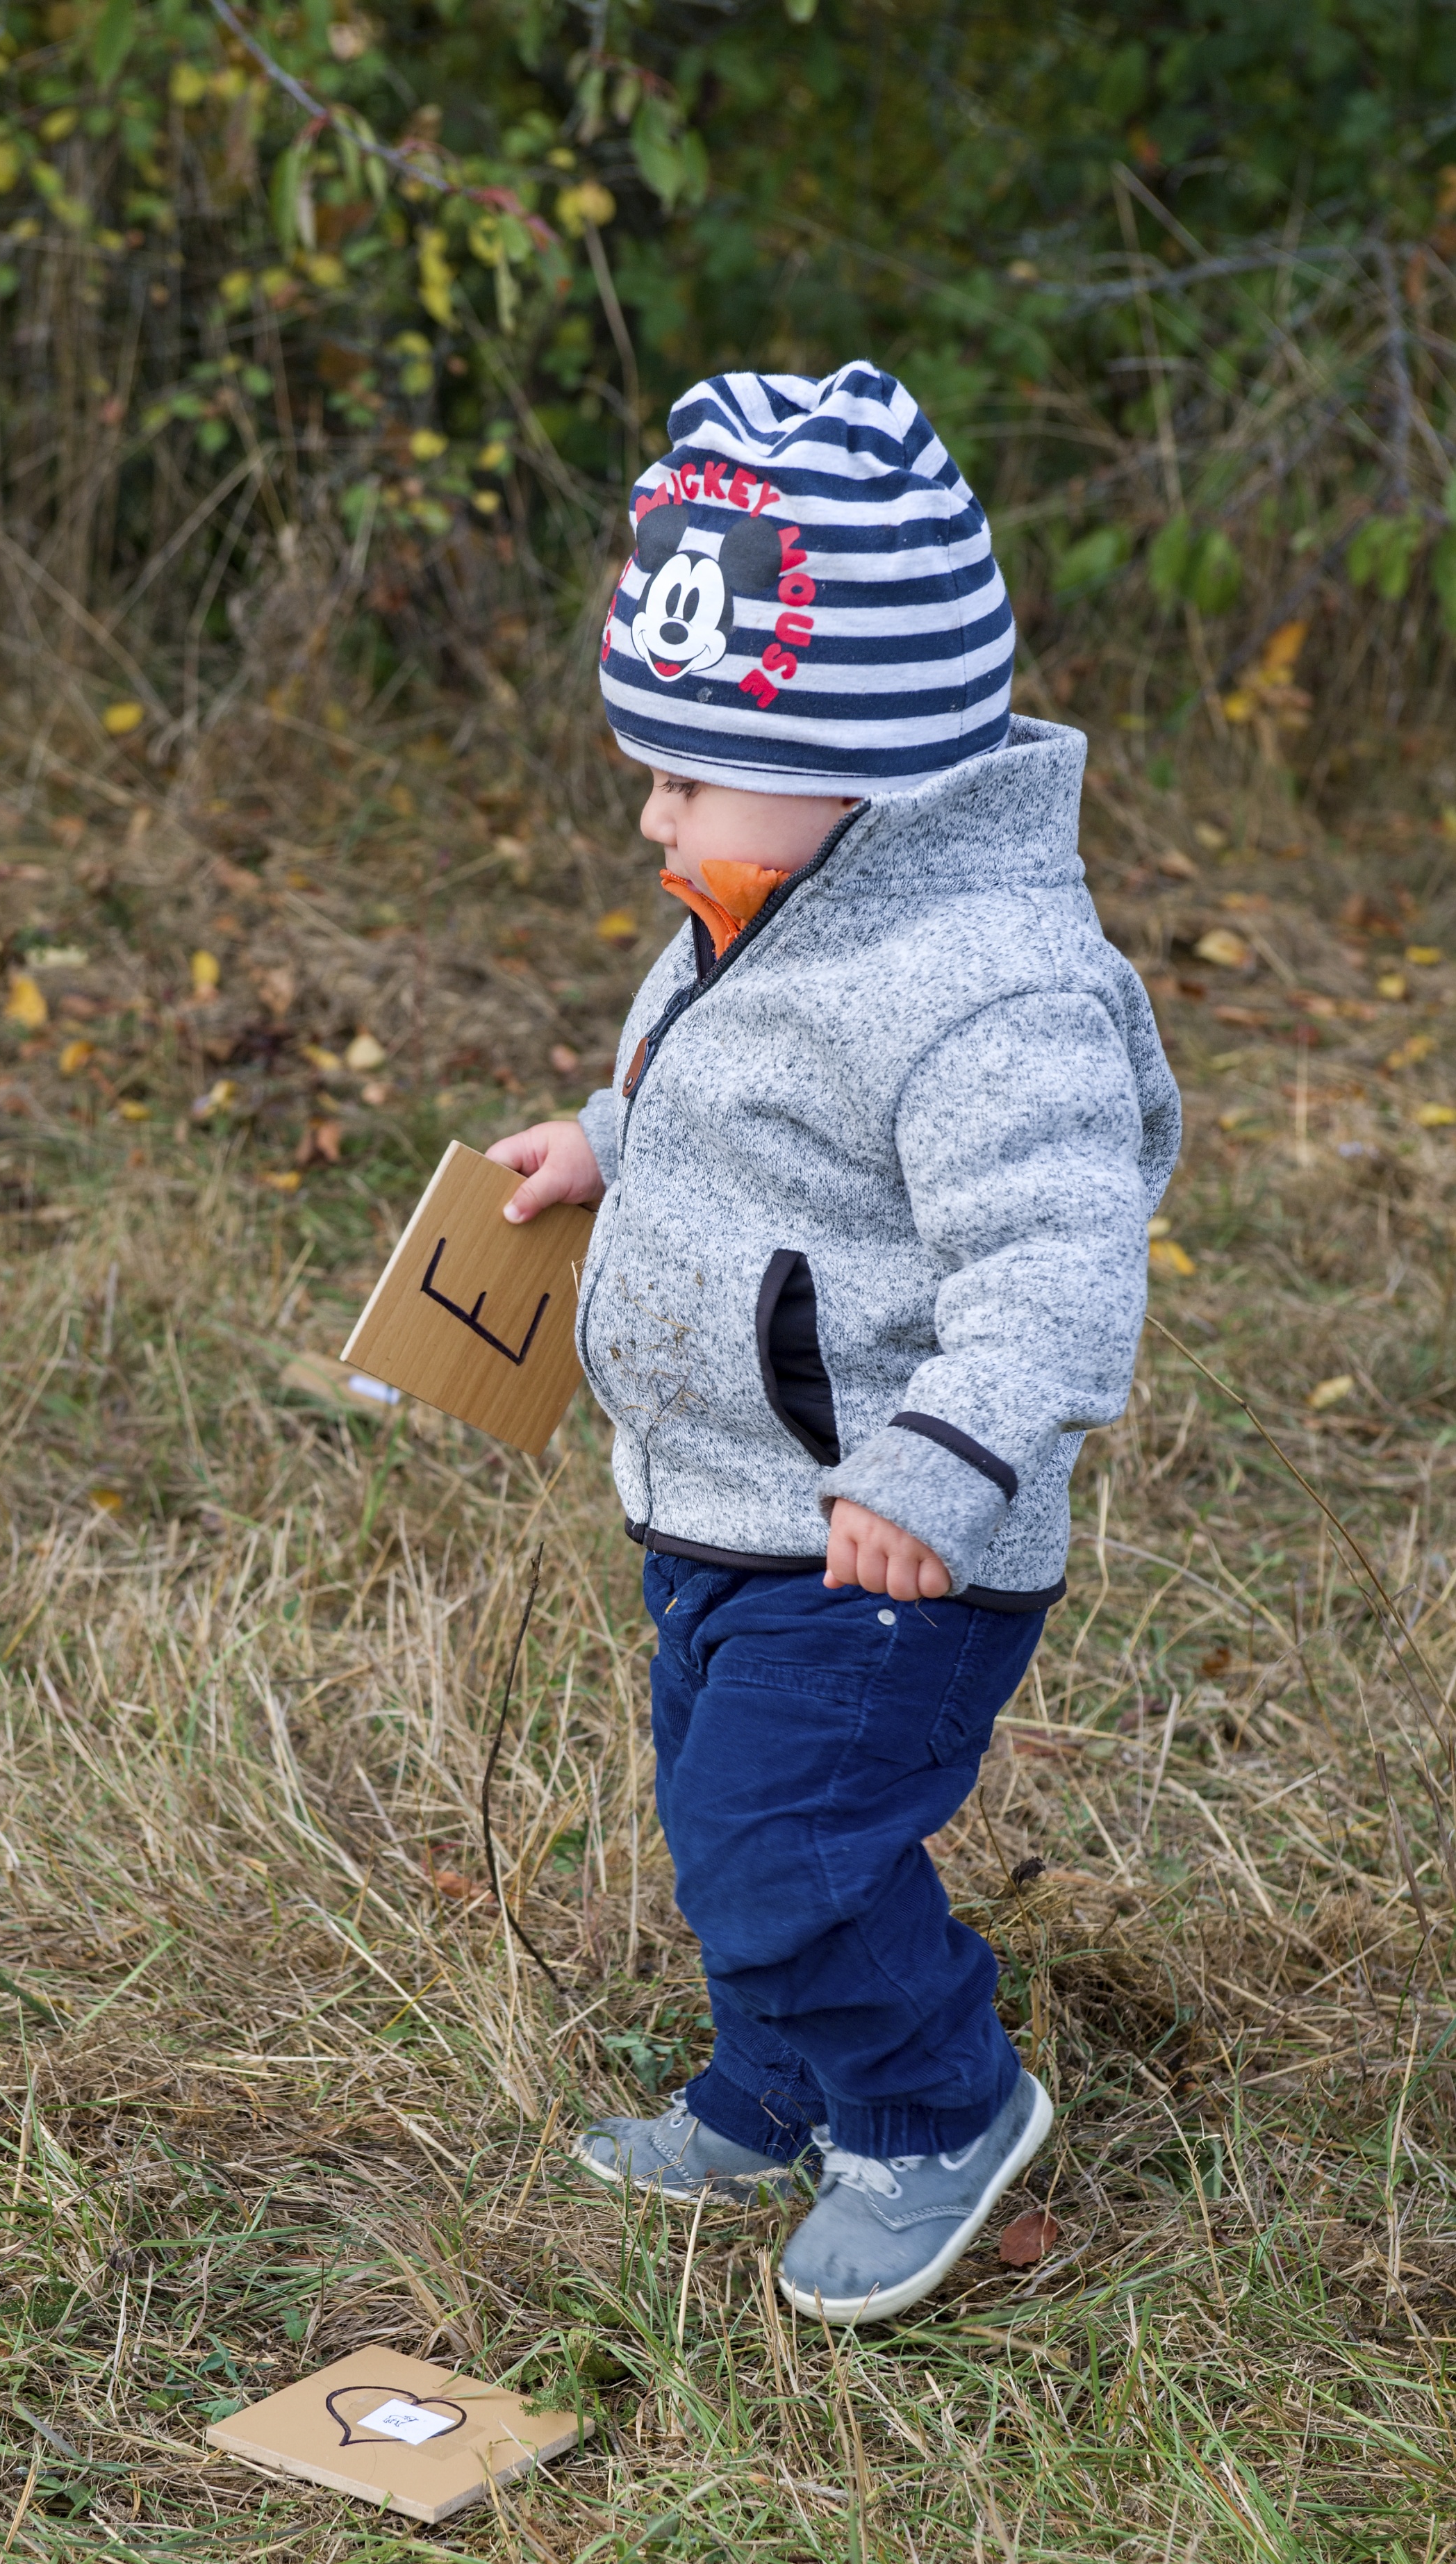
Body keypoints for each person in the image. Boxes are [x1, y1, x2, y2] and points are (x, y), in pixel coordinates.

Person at [486, 363, 1180, 2325]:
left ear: (857, 764)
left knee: (785, 1840)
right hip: (723, 1503)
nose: (652, 813)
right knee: (726, 1815)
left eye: (684, 776)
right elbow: (730, 1104)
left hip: (888, 1543)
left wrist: (938, 1463)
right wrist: (604, 1141)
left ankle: (935, 2109)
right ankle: (779, 2083)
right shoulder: (765, 891)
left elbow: (1057, 1257)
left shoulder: (990, 987)